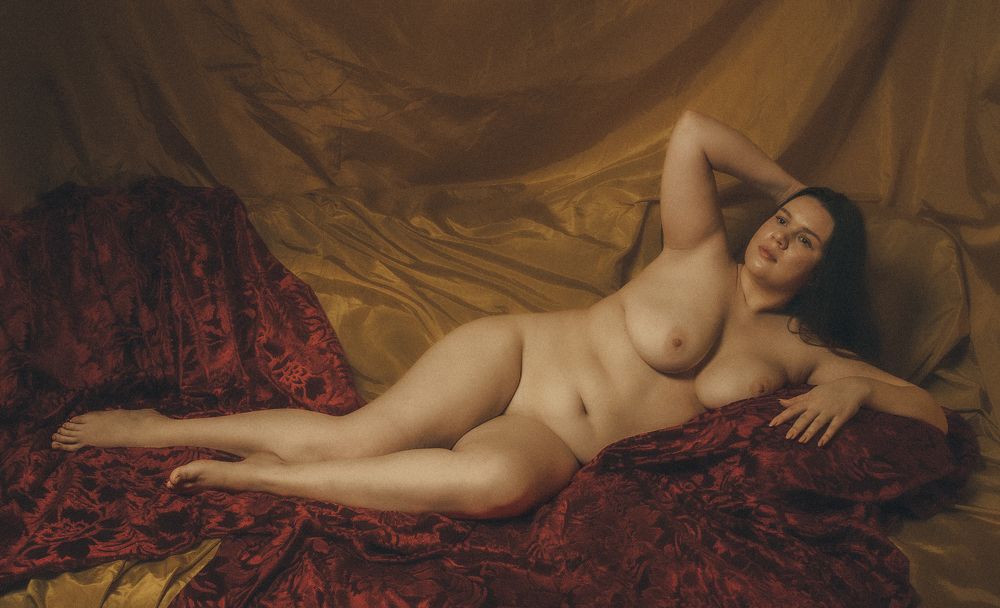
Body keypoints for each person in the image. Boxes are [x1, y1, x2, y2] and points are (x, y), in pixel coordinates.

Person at [50, 110, 948, 518]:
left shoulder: (802, 350)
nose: (779, 237)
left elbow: (932, 416)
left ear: (826, 270)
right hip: (523, 357)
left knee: (496, 490)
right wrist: (801, 188)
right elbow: (693, 132)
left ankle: (265, 482)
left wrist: (855, 392)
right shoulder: (699, 249)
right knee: (361, 436)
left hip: (564, 446)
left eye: (804, 239)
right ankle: (158, 429)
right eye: (783, 222)